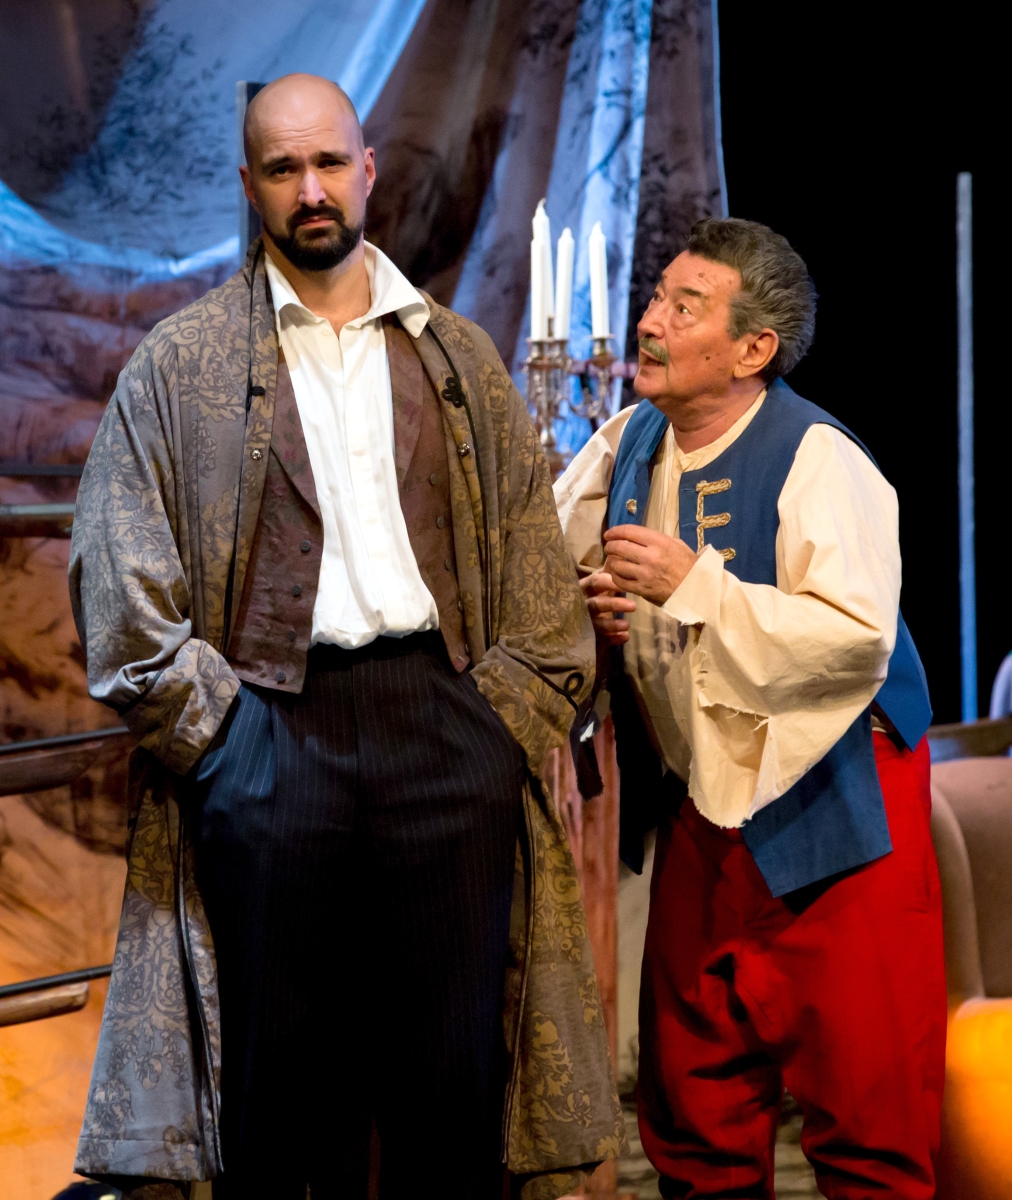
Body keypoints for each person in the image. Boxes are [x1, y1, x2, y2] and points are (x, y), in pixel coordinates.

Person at [69, 73, 622, 1200]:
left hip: (445, 724)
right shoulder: (181, 364)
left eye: (329, 162)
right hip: (269, 732)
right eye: (284, 169)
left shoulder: (456, 355)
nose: (311, 190)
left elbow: (532, 558)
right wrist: (222, 743)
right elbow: (118, 575)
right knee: (278, 1102)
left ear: (367, 170)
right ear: (251, 185)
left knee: (451, 1091)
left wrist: (500, 729)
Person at [555, 218, 946, 1199]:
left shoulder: (820, 458)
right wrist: (589, 608)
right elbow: (549, 561)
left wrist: (694, 586)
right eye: (657, 298)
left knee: (868, 1106)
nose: (651, 323)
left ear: (751, 349)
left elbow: (854, 638)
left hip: (836, 800)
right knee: (695, 1103)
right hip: (703, 804)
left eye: (685, 308)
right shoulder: (628, 441)